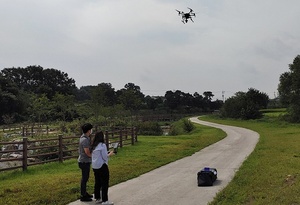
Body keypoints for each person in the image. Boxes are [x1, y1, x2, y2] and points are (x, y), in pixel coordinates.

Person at [91, 131, 114, 205]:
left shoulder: (94, 145)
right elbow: (104, 157)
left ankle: (98, 198)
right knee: (104, 183)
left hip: (95, 166)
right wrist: (110, 154)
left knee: (97, 182)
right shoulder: (102, 145)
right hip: (102, 166)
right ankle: (105, 200)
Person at [78, 123, 93, 202]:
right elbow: (87, 152)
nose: (91, 131)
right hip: (84, 161)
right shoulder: (84, 140)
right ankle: (83, 195)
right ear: (88, 130)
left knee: (85, 178)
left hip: (85, 161)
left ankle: (84, 193)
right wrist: (93, 156)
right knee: (84, 178)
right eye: (90, 129)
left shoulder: (85, 138)